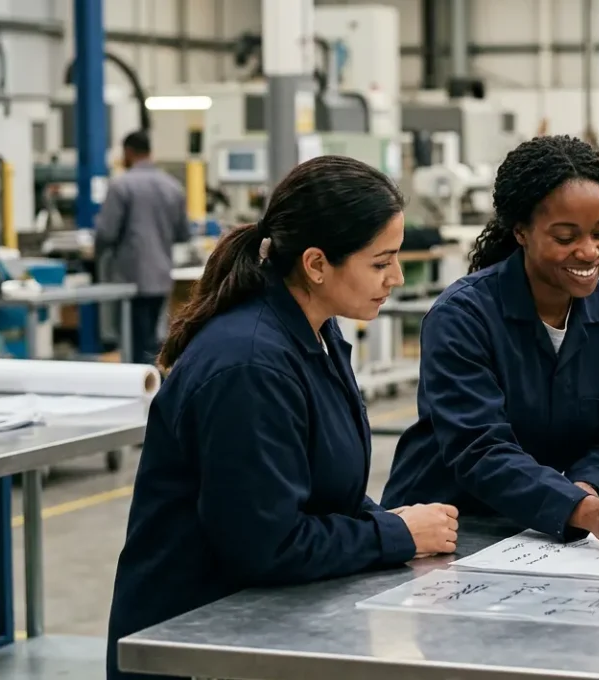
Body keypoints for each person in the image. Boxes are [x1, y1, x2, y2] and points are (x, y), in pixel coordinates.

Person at [106, 156, 459, 680]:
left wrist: (390, 525)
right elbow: (266, 545)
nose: (397, 278)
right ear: (316, 264)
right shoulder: (250, 366)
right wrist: (395, 535)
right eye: (381, 263)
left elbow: (318, 486)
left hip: (261, 624)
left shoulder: (316, 332)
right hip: (193, 642)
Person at [382, 135, 599, 546]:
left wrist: (587, 489)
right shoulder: (463, 316)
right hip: (447, 530)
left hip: (538, 533)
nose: (588, 251)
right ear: (522, 232)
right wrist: (575, 508)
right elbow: (479, 449)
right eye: (565, 238)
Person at [94, 131, 192, 364]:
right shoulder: (172, 186)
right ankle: (156, 385)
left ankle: (139, 388)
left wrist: (98, 253)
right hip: (161, 276)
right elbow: (183, 234)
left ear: (128, 152)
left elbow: (106, 232)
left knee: (133, 341)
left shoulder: (121, 185)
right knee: (154, 339)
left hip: (131, 279)